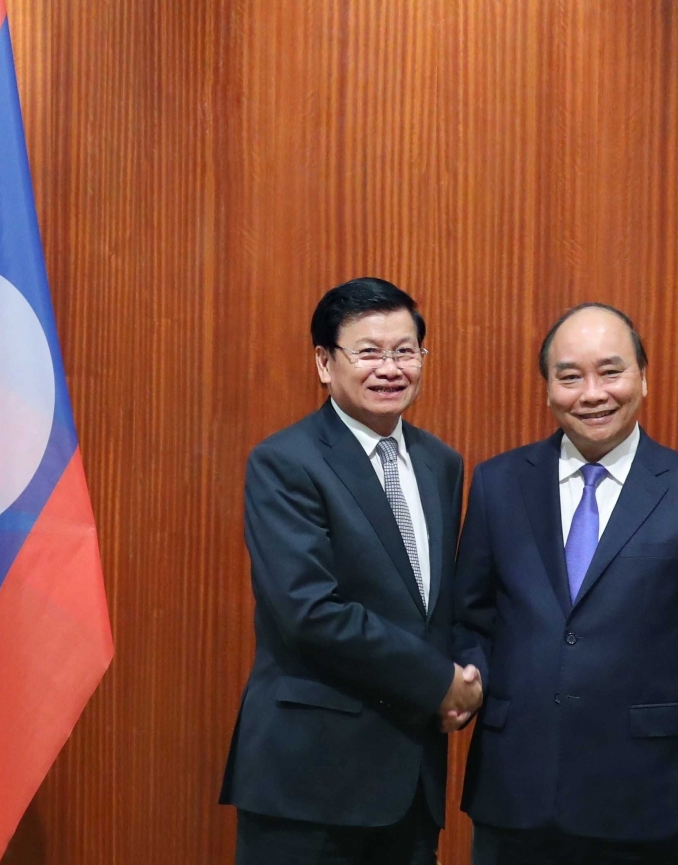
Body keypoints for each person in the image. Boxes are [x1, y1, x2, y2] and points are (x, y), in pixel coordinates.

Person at [454, 303, 678, 865]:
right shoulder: (498, 483)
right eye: (570, 376)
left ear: (643, 376)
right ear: (547, 389)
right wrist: (468, 678)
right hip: (515, 795)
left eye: (611, 372)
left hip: (645, 801)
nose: (592, 393)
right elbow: (472, 618)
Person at [221, 277, 482, 865]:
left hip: (411, 778)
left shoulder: (441, 462)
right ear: (324, 362)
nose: (390, 368)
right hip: (310, 780)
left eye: (405, 351)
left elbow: (435, 605)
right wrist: (439, 681)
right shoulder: (286, 461)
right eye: (368, 352)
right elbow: (310, 611)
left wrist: (468, 674)